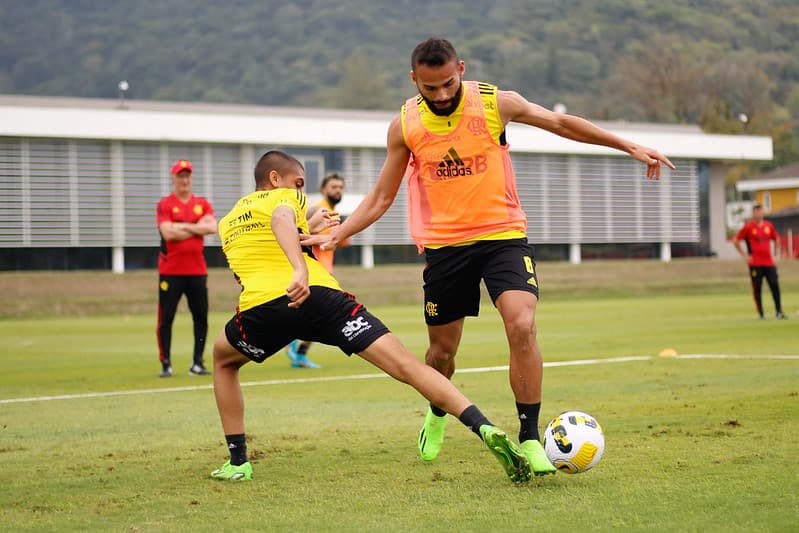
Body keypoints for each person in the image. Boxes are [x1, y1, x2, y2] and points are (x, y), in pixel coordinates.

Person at [301, 37, 675, 475]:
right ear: (413, 80)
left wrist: (629, 146)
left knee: (521, 322)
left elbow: (560, 123)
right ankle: (439, 409)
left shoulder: (496, 103)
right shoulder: (405, 125)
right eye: (430, 88)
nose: (441, 96)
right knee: (441, 353)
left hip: (502, 235)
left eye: (448, 84)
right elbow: (383, 195)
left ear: (461, 68)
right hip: (444, 247)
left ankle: (530, 437)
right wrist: (339, 232)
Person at [210, 150, 531, 484]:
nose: (301, 191)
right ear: (275, 179)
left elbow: (266, 242)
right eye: (298, 183)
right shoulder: (285, 197)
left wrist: (306, 230)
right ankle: (484, 426)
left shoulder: (229, 219)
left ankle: (238, 462)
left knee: (223, 360)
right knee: (408, 366)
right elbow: (279, 219)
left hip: (261, 311)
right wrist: (300, 269)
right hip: (320, 298)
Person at [156, 159, 218, 378]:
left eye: (187, 176)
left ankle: (197, 362)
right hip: (170, 271)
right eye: (180, 176)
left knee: (200, 317)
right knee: (166, 318)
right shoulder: (165, 204)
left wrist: (182, 226)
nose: (184, 180)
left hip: (197, 271)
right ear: (173, 178)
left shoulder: (202, 203)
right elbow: (168, 233)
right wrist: (196, 228)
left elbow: (212, 227)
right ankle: (166, 363)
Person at [285, 173, 351, 369]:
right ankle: (294, 345)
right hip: (314, 271)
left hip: (323, 270)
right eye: (333, 187)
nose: (337, 190)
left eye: (340, 187)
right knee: (325, 312)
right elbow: (300, 231)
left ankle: (296, 346)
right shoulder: (318, 210)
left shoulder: (333, 213)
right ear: (324, 190)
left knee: (317, 313)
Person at [733, 204, 787, 319]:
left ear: (763, 213)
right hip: (755, 263)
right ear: (753, 213)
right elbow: (736, 240)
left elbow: (777, 238)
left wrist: (776, 254)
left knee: (775, 285)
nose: (758, 214)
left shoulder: (769, 226)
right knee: (757, 288)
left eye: (760, 211)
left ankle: (779, 311)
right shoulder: (748, 227)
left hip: (769, 263)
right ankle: (761, 313)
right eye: (756, 212)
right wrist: (745, 255)